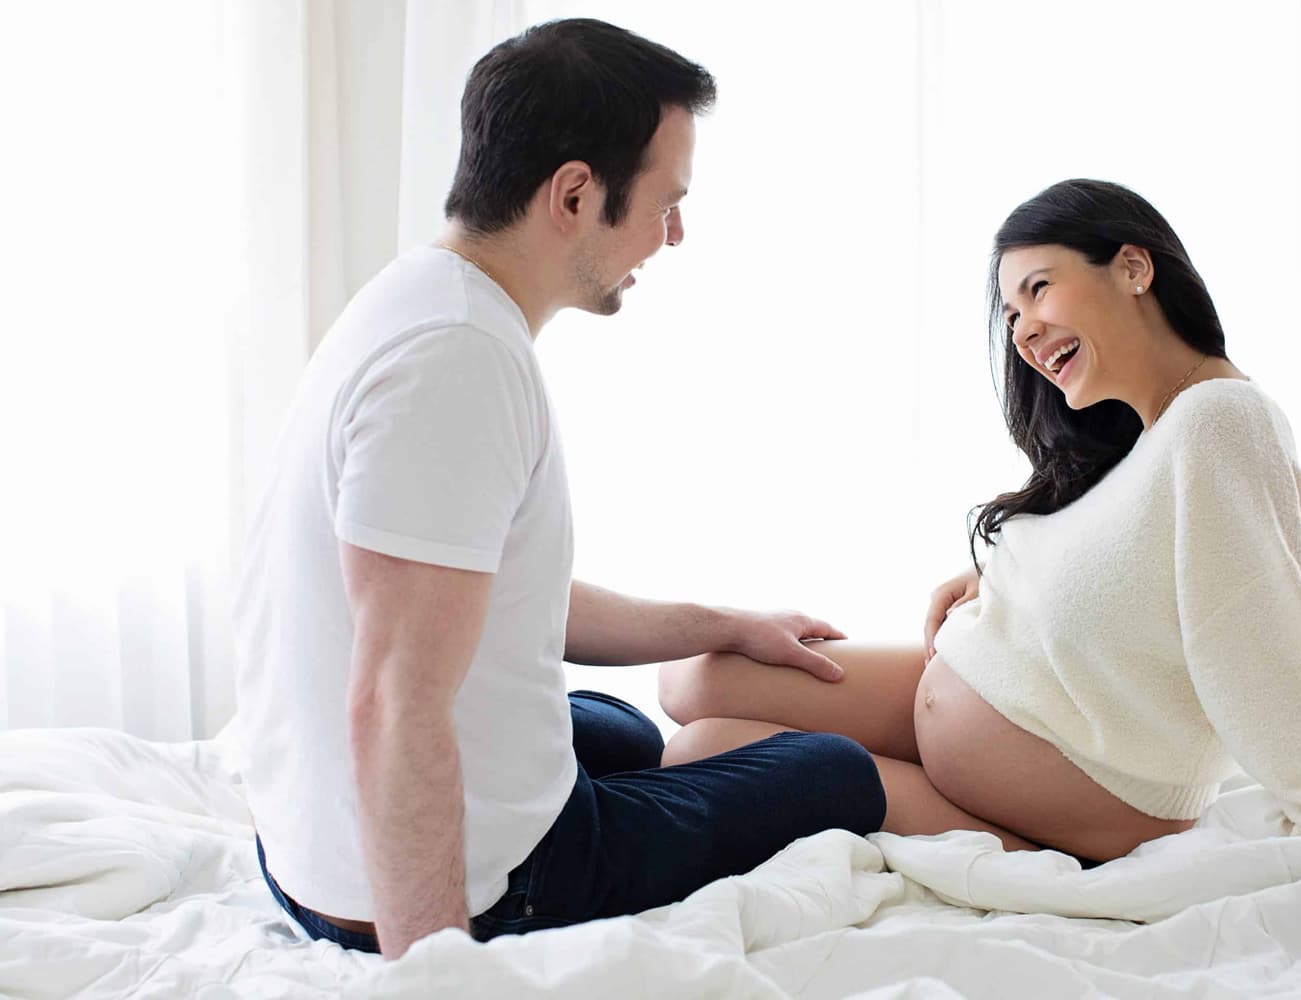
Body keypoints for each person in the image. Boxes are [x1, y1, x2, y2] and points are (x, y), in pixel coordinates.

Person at [233, 18, 885, 961]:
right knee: (835, 770)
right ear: (576, 194)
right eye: (665, 203)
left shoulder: (418, 299)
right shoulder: (455, 362)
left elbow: (476, 594)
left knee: (616, 728)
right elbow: (394, 700)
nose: (675, 234)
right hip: (449, 889)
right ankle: (514, 883)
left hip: (305, 843)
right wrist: (437, 967)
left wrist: (723, 624)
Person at [659, 178, 1301, 865]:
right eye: (1010, 314)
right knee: (695, 686)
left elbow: (1258, 631)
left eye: (1038, 289)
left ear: (1134, 268)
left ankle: (1019, 849)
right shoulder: (1153, 438)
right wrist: (1000, 578)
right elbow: (1138, 589)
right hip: (1003, 702)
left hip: (1083, 788)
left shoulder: (1221, 418)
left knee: (700, 755)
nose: (1021, 332)